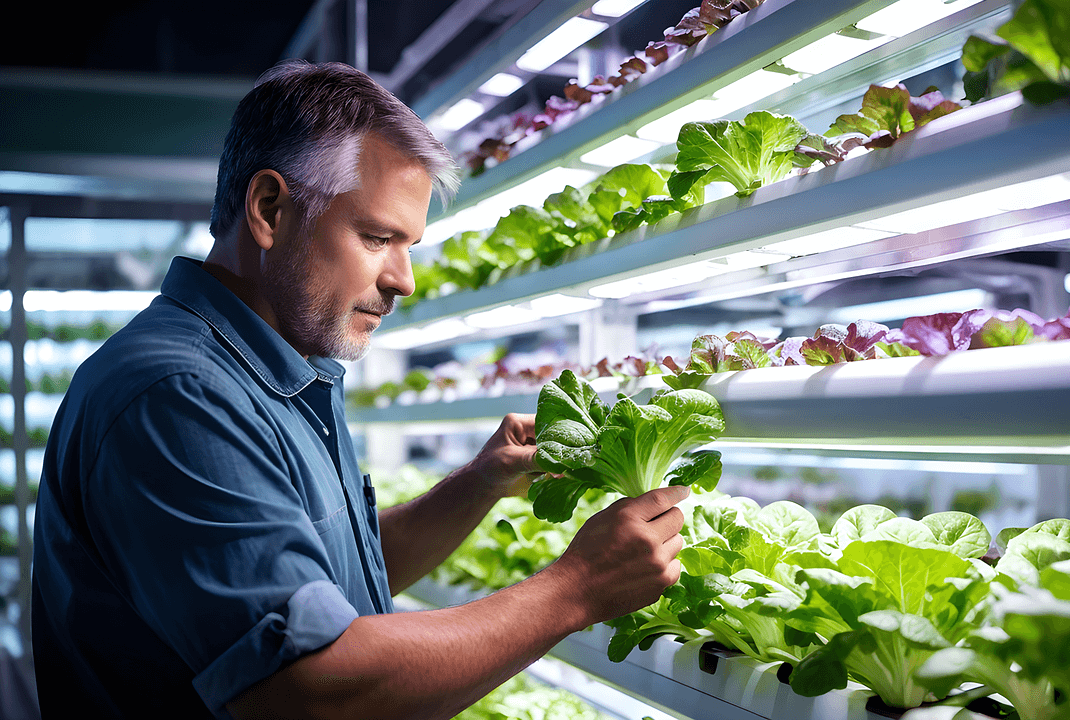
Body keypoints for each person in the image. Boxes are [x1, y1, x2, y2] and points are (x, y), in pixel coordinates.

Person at [31, 60, 687, 719]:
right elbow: (312, 688)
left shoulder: (274, 367)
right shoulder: (178, 395)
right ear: (269, 209)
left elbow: (321, 587)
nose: (404, 280)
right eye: (378, 237)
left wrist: (479, 484)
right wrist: (576, 588)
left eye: (410, 245)